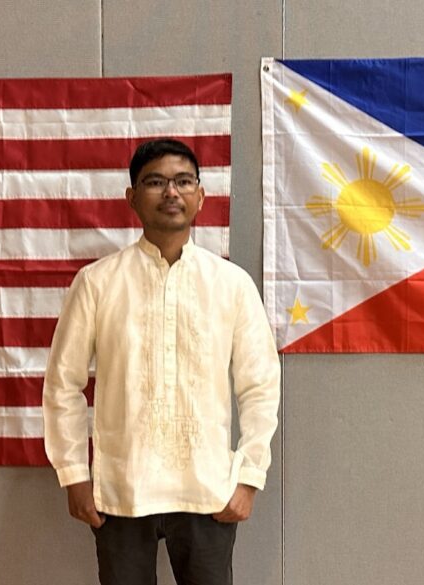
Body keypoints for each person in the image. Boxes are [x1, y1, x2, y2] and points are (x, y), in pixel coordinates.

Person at [42, 138, 281, 585]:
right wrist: (73, 473)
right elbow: (62, 384)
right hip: (120, 490)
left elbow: (260, 384)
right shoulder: (97, 282)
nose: (171, 192)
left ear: (201, 196)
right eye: (155, 182)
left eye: (183, 181)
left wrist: (249, 476)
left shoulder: (231, 284)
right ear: (131, 198)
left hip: (208, 492)